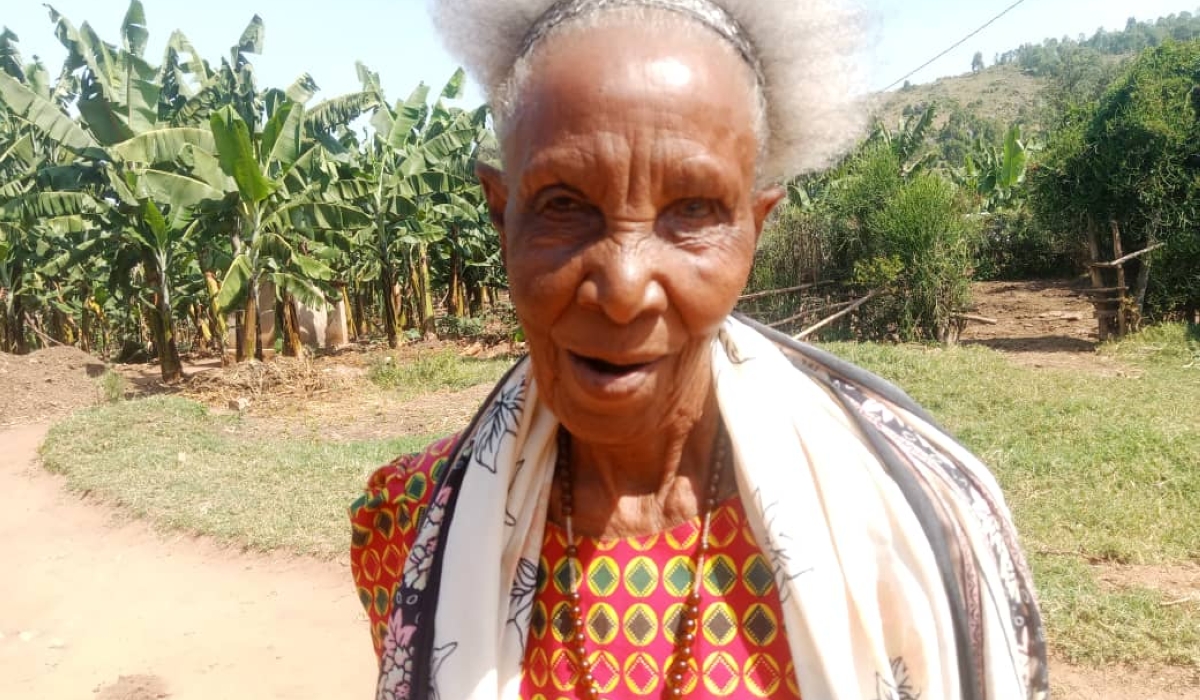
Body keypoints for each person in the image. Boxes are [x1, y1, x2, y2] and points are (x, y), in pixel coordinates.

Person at [350, 0, 1050, 698]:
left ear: (755, 230)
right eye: (565, 204)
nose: (623, 288)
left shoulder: (906, 537)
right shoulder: (409, 528)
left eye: (692, 211)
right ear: (504, 218)